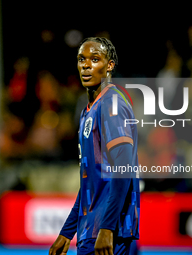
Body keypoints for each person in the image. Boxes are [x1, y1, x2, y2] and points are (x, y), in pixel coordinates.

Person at [49, 37, 140, 255]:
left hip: (108, 231)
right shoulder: (88, 111)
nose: (86, 65)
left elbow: (123, 169)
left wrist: (107, 227)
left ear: (110, 65)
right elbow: (91, 180)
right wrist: (67, 231)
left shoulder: (112, 104)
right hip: (91, 230)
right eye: (81, 59)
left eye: (95, 59)